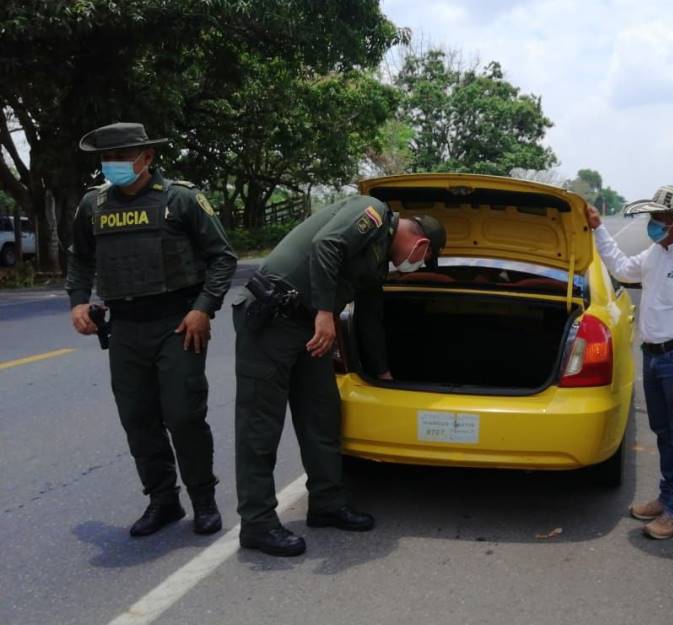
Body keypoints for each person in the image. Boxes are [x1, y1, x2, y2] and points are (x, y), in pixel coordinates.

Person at [233, 195, 446, 557]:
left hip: (308, 329)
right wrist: (325, 312)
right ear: (421, 243)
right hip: (273, 320)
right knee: (260, 425)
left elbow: (370, 317)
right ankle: (257, 523)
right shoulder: (372, 212)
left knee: (322, 413)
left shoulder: (378, 260)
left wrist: (383, 372)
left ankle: (327, 503)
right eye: (424, 259)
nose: (417, 266)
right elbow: (326, 245)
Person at [66, 122, 237, 537]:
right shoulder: (93, 205)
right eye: (107, 158)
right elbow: (80, 258)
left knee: (183, 415)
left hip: (178, 324)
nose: (114, 164)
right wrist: (78, 301)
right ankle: (163, 501)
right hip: (125, 329)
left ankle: (203, 500)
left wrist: (203, 309)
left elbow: (222, 257)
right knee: (138, 419)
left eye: (122, 156)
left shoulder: (181, 199)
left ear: (147, 157)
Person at [586, 185, 673, 540]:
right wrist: (599, 229)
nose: (654, 222)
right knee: (663, 432)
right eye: (653, 216)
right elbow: (622, 268)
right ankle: (666, 496)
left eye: (660, 217)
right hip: (652, 356)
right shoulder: (656, 252)